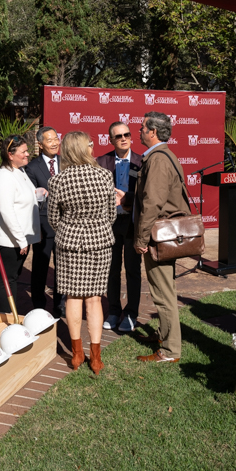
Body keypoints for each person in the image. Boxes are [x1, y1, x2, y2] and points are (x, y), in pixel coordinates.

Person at [47, 131, 116, 374]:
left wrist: (71, 230)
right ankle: (95, 357)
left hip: (70, 244)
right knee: (95, 298)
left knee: (73, 297)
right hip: (99, 243)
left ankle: (77, 354)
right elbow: (111, 214)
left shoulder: (58, 180)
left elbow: (53, 218)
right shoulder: (105, 175)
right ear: (85, 149)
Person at [134, 112, 186, 364]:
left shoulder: (157, 160)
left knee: (163, 293)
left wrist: (141, 239)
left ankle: (170, 350)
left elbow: (152, 203)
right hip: (164, 235)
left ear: (152, 131)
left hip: (158, 237)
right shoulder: (163, 155)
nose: (139, 131)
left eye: (142, 127)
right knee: (165, 289)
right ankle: (163, 336)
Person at [97, 121, 143, 333]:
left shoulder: (142, 162)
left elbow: (146, 196)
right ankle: (114, 310)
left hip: (133, 224)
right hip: (110, 224)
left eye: (127, 134)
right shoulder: (101, 162)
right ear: (111, 140)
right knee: (111, 271)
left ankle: (132, 313)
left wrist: (128, 199)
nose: (124, 138)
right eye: (118, 136)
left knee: (133, 270)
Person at [0, 134, 41, 313]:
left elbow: (24, 196)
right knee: (8, 279)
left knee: (13, 276)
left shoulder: (19, 171)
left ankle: (11, 314)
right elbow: (6, 211)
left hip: (21, 238)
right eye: (24, 151)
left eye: (27, 150)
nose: (28, 154)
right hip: (11, 239)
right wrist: (21, 240)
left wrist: (38, 193)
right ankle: (6, 317)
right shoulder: (5, 177)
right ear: (10, 155)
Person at [26, 126, 66, 317]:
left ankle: (60, 304)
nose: (54, 143)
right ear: (40, 144)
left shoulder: (66, 163)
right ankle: (39, 307)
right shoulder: (32, 168)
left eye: (56, 138)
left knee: (63, 267)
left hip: (66, 226)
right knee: (40, 267)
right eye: (49, 140)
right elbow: (31, 202)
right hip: (43, 226)